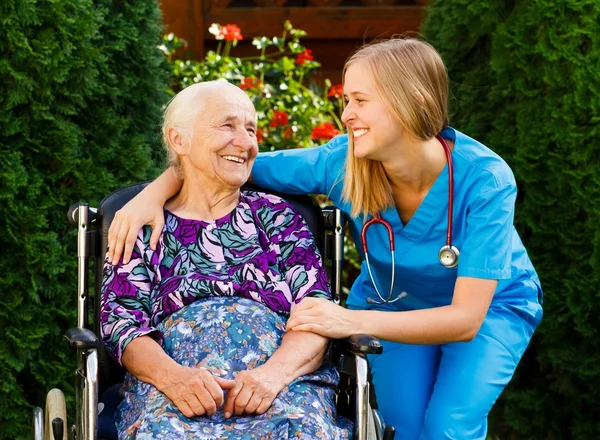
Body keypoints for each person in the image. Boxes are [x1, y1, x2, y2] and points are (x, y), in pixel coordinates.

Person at [107, 38, 543, 440]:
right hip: (393, 302)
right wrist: (151, 193)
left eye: (360, 100)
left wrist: (348, 321)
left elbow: (465, 319)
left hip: (485, 311)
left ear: (412, 101)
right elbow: (229, 163)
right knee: (402, 428)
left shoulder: (485, 179)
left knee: (448, 426)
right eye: (346, 100)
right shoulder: (343, 162)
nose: (346, 113)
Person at [101, 80, 352, 439]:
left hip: (283, 389)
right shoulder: (142, 225)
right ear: (179, 140)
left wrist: (272, 377)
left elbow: (316, 313)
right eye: (228, 125)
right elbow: (121, 324)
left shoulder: (277, 217)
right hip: (175, 390)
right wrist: (174, 379)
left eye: (251, 129)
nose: (246, 142)